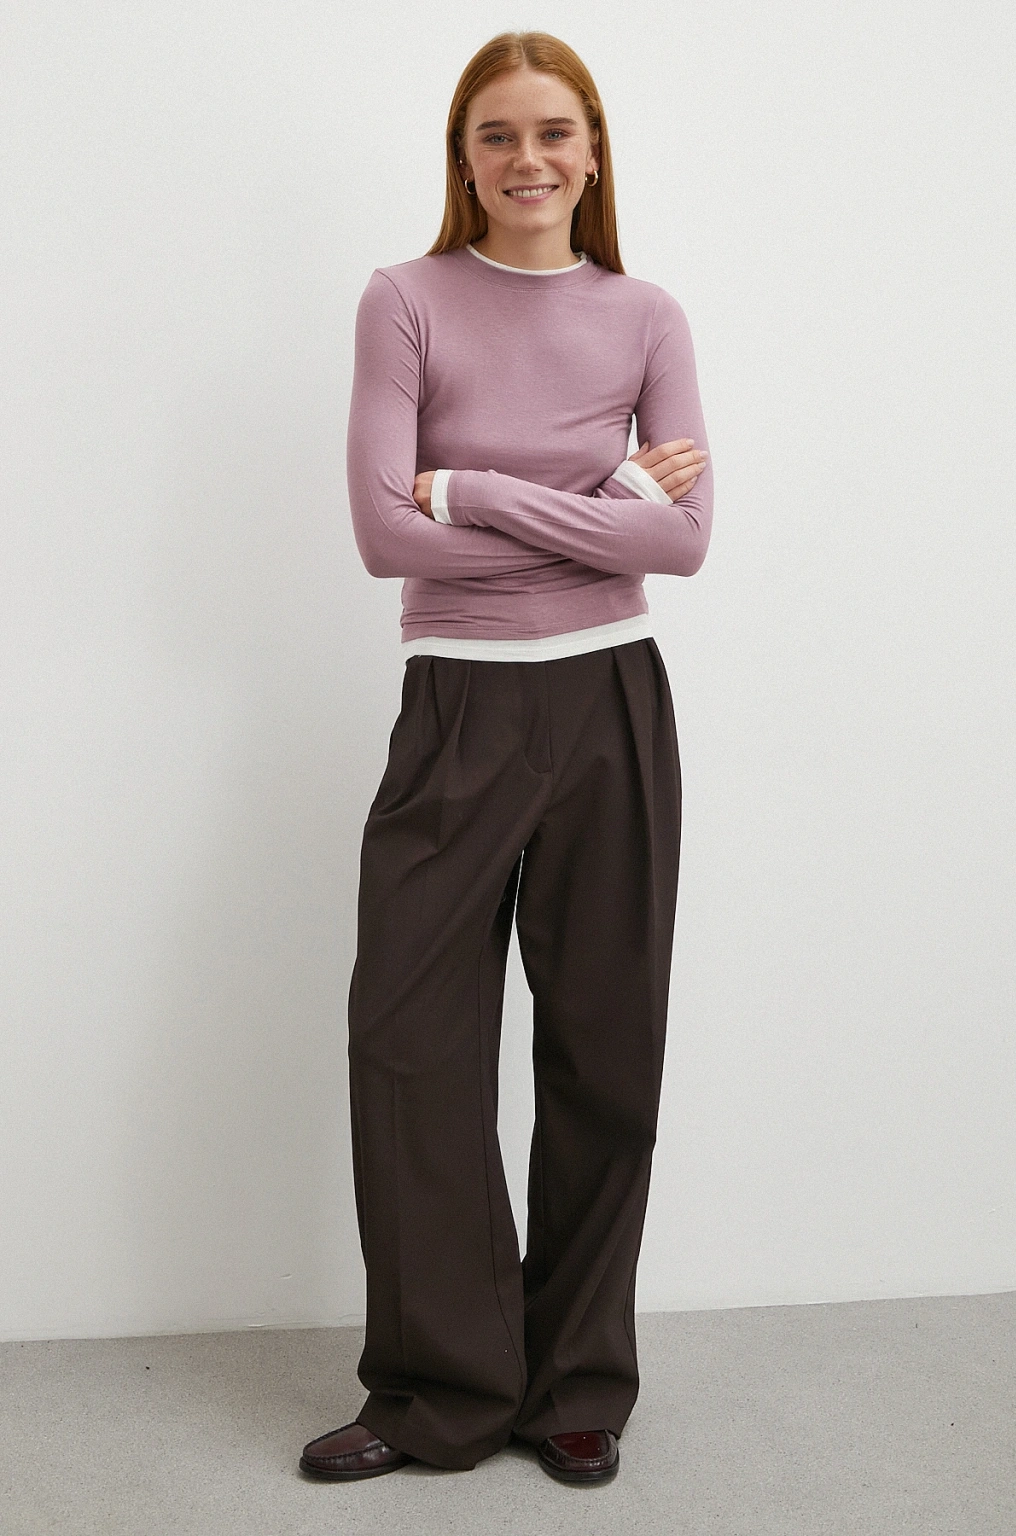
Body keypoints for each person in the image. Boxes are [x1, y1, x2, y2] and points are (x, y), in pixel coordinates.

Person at [299, 29, 713, 1487]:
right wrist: (598, 497)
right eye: (497, 134)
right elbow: (381, 536)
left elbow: (684, 545)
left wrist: (468, 487)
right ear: (463, 157)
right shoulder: (405, 300)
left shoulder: (645, 314)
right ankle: (440, 1390)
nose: (527, 158)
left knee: (606, 1050)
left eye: (553, 132)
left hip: (611, 703)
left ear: (591, 153)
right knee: (408, 1046)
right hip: (458, 709)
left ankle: (576, 1384)